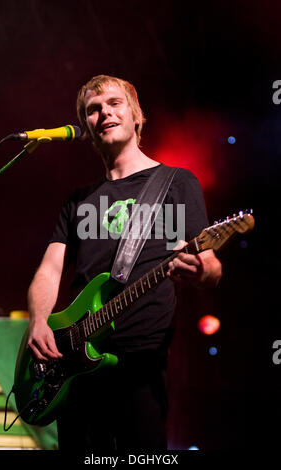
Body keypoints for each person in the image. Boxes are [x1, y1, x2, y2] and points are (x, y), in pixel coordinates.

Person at [27, 75, 222, 451]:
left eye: (114, 104)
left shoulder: (175, 184)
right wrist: (38, 321)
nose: (104, 113)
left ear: (137, 116)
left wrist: (202, 271)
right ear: (86, 127)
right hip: (75, 363)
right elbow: (50, 268)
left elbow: (209, 264)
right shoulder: (78, 200)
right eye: (93, 110)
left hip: (139, 365)